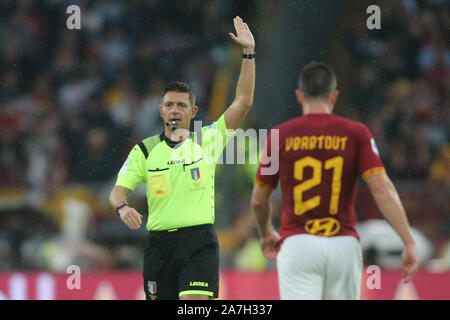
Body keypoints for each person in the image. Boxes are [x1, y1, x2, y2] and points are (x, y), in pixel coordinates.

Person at [109, 16, 255, 300]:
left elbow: (243, 101)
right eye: (169, 105)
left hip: (198, 242)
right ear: (161, 111)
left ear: (194, 111)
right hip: (159, 246)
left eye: (181, 105)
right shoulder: (145, 150)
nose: (175, 110)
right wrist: (122, 207)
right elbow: (117, 192)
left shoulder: (208, 139)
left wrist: (248, 53)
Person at [251, 61, 419, 300]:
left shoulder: (279, 135)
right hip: (343, 243)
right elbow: (381, 188)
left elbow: (259, 201)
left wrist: (266, 232)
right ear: (334, 96)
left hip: (298, 244)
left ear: (299, 96)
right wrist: (408, 241)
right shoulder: (356, 133)